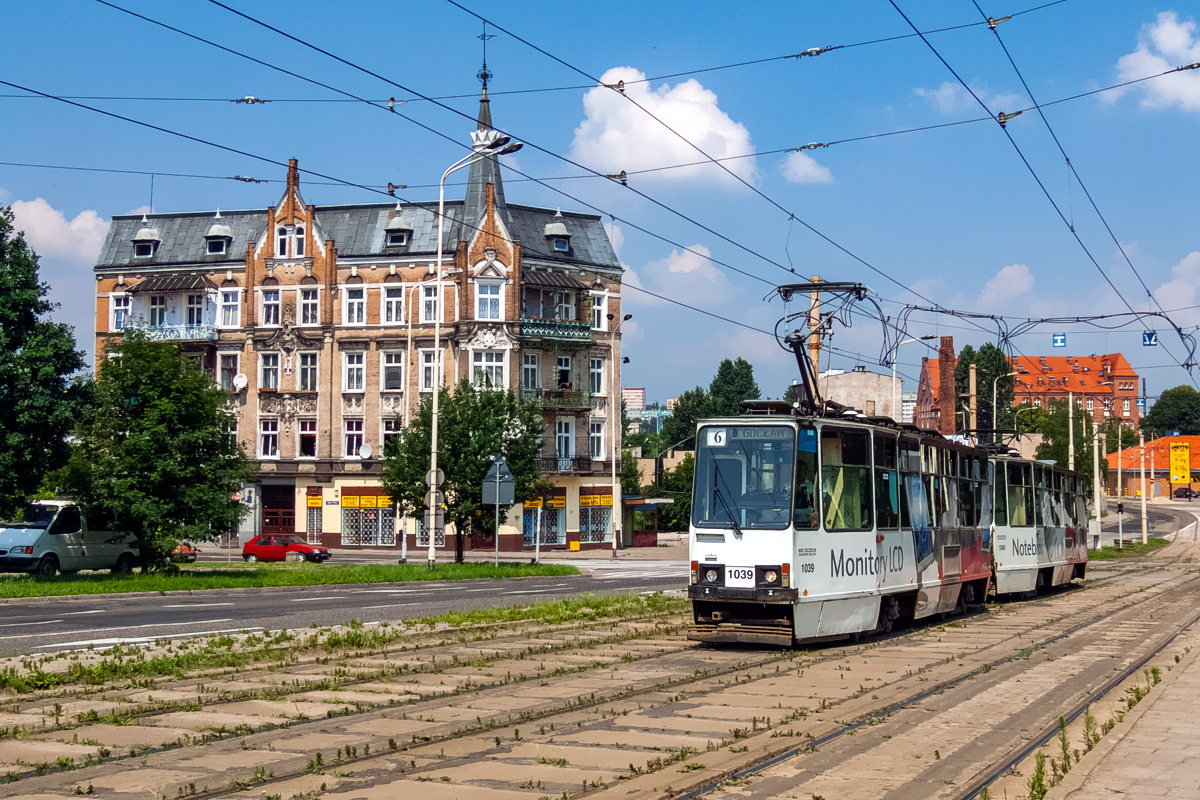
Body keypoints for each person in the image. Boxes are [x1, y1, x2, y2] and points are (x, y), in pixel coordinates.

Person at [794, 459, 817, 529]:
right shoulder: (787, 487)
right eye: (797, 470)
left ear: (805, 472)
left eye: (800, 470)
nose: (798, 473)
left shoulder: (811, 487)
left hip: (807, 523)